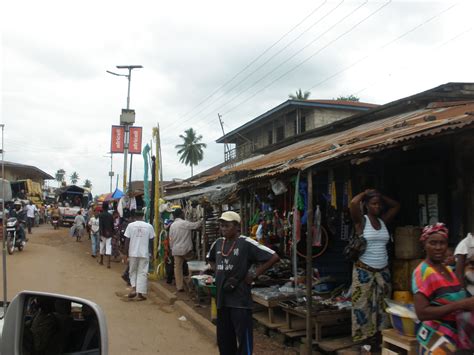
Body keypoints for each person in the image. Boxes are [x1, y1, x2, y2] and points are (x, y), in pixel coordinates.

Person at [207, 211, 280, 355]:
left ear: (236, 226)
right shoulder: (218, 243)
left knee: (243, 340)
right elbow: (210, 259)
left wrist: (253, 274)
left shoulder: (245, 243)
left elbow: (273, 257)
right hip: (222, 300)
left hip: (239, 301)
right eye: (222, 226)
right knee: (225, 340)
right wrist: (217, 273)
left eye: (227, 225)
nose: (223, 228)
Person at [412, 223, 474, 352]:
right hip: (435, 341)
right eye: (433, 243)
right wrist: (460, 305)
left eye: (442, 243)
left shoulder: (448, 270)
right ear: (424, 245)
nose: (438, 247)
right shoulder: (423, 272)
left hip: (455, 338)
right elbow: (422, 313)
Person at [349, 189, 400, 343]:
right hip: (364, 270)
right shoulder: (361, 221)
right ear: (366, 205)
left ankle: (379, 338)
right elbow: (353, 203)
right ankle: (363, 342)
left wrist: (380, 195)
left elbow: (396, 206)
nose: (377, 207)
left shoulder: (383, 221)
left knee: (383, 306)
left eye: (379, 204)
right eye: (374, 204)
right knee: (362, 306)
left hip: (382, 271)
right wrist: (365, 193)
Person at [168, 208, 203, 292]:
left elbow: (170, 239)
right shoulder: (184, 223)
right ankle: (190, 283)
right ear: (181, 214)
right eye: (183, 214)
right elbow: (196, 225)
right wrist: (202, 220)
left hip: (176, 250)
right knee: (193, 266)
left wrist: (171, 248)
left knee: (177, 268)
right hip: (186, 249)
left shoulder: (172, 225)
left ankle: (179, 286)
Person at [123, 210, 155, 301]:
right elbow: (151, 241)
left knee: (132, 271)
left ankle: (134, 289)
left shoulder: (130, 226)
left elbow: (127, 241)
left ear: (134, 216)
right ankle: (140, 293)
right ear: (143, 216)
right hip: (144, 253)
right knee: (143, 272)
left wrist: (125, 254)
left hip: (133, 252)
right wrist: (152, 253)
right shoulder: (149, 226)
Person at [98, 201, 114, 268]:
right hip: (109, 234)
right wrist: (112, 233)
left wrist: (100, 234)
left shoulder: (101, 215)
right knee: (108, 248)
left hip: (103, 233)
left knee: (102, 247)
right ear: (108, 207)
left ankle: (101, 261)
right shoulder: (110, 215)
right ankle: (108, 264)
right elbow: (112, 225)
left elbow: (100, 225)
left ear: (102, 207)